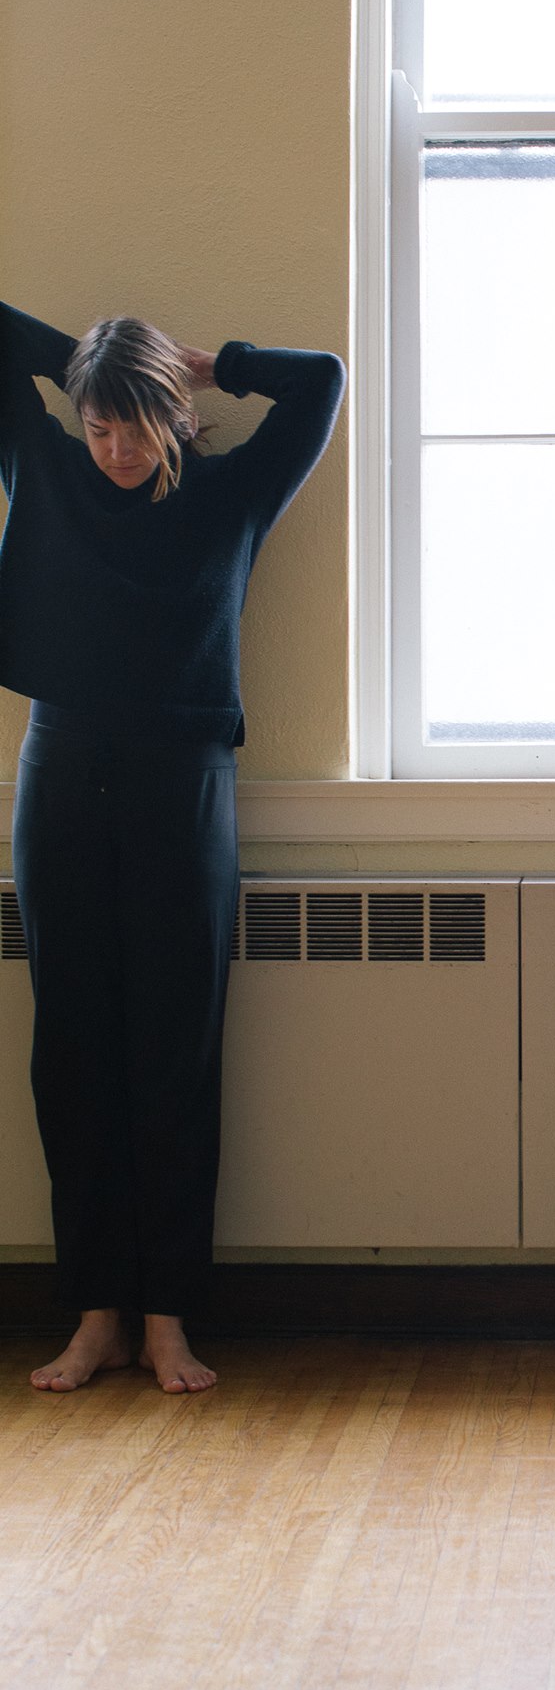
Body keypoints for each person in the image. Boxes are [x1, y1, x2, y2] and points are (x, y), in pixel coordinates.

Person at [0, 298, 345, 1392]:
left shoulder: (231, 494)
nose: (113, 449)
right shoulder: (46, 471)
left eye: (134, 425)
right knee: (74, 1049)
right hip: (60, 775)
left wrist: (200, 364)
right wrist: (97, 363)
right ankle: (96, 1314)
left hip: (184, 782)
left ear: (173, 415)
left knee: (175, 1050)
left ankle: (166, 1318)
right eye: (97, 425)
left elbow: (322, 380)